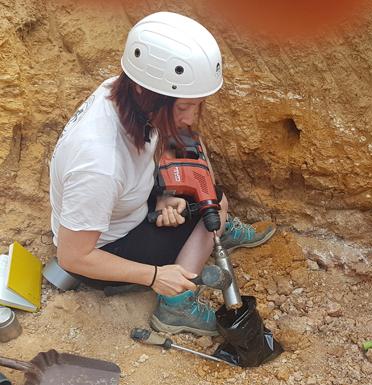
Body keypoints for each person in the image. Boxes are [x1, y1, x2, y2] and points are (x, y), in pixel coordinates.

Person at [49, 11, 275, 336]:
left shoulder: (121, 92)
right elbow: (72, 256)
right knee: (215, 207)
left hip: (123, 207)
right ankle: (177, 306)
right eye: (183, 107)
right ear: (147, 92)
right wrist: (156, 276)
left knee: (198, 174)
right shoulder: (99, 164)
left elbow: (145, 152)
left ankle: (204, 231)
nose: (191, 118)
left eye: (197, 105)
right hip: (105, 249)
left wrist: (162, 195)